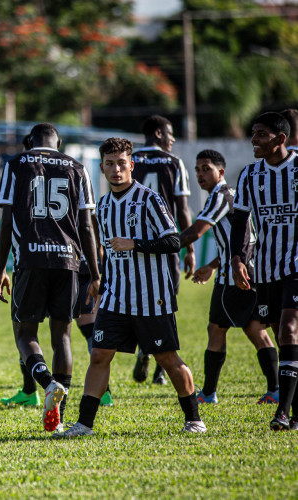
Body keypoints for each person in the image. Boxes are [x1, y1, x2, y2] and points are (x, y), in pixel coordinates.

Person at [55, 137, 205, 438]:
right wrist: (100, 284)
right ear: (103, 167)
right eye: (109, 164)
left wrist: (134, 244)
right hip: (116, 297)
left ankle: (194, 418)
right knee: (99, 355)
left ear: (131, 165)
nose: (115, 169)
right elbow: (110, 255)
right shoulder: (105, 205)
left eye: (121, 163)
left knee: (167, 358)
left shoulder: (149, 199)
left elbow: (174, 241)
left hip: (153, 299)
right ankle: (84, 424)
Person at [0, 123, 100, 433]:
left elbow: (6, 220)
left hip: (30, 258)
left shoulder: (16, 164)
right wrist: (95, 274)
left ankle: (47, 383)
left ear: (30, 141)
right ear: (59, 141)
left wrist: (2, 267)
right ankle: (60, 419)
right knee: (62, 337)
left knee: (25, 334)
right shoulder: (78, 167)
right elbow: (87, 226)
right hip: (69, 262)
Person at [178, 149, 278, 404]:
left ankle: (210, 393)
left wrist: (157, 246)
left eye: (206, 169)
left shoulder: (220, 196)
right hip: (247, 270)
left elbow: (196, 232)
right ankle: (274, 390)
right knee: (252, 329)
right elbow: (240, 240)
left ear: (220, 172)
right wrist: (212, 264)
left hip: (234, 276)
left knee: (221, 329)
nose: (200, 174)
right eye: (197, 169)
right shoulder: (232, 195)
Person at [230, 112, 298, 431]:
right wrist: (237, 259)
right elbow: (241, 220)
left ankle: (282, 412)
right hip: (268, 267)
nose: (253, 140)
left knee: (288, 328)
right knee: (279, 330)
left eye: (261, 134)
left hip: (297, 265)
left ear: (280, 139)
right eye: (253, 133)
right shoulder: (250, 175)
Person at [130, 115, 195, 385]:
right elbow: (181, 209)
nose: (172, 139)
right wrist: (188, 248)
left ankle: (145, 350)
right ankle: (159, 365)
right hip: (166, 244)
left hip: (133, 243)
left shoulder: (128, 161)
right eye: (169, 134)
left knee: (134, 299)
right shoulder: (174, 162)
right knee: (164, 303)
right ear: (157, 133)